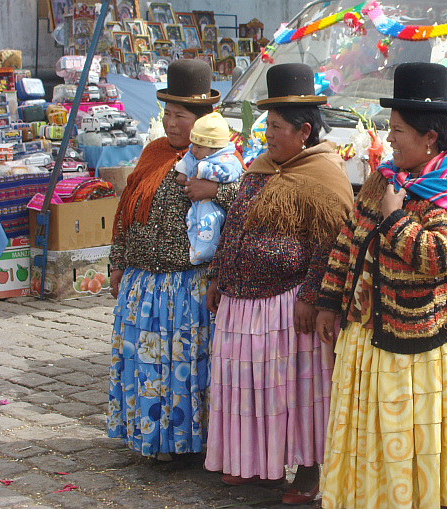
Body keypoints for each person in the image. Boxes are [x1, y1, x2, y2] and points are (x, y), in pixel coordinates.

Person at [316, 62, 447, 509]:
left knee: (411, 437)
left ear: (430, 137)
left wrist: (393, 219)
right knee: (373, 438)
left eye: (398, 130)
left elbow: (438, 257)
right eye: (390, 129)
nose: (389, 139)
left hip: (417, 351)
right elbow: (347, 241)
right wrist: (329, 301)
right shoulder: (386, 179)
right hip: (370, 338)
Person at [203, 63, 354, 505]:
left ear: (304, 130)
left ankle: (307, 473)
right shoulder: (261, 167)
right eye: (266, 125)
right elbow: (233, 228)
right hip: (241, 302)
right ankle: (256, 465)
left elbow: (332, 246)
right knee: (245, 384)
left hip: (289, 305)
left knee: (295, 391)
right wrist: (218, 276)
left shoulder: (324, 175)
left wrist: (312, 296)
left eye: (275, 127)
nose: (267, 134)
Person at [107, 59, 243, 461]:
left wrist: (212, 190)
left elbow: (244, 209)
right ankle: (152, 438)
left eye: (180, 115)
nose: (170, 122)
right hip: (143, 285)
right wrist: (118, 261)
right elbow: (127, 209)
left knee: (183, 367)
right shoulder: (154, 153)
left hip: (185, 286)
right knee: (147, 364)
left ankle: (186, 441)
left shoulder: (223, 162)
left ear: (203, 121)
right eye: (167, 113)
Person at [174, 111, 241, 264]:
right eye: (194, 145)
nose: (194, 150)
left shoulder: (227, 159)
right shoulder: (192, 154)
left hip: (211, 206)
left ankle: (206, 252)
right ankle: (195, 251)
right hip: (196, 205)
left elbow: (230, 177)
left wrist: (208, 178)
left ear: (215, 149)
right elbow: (186, 162)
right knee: (192, 221)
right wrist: (182, 172)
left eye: (199, 147)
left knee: (208, 224)